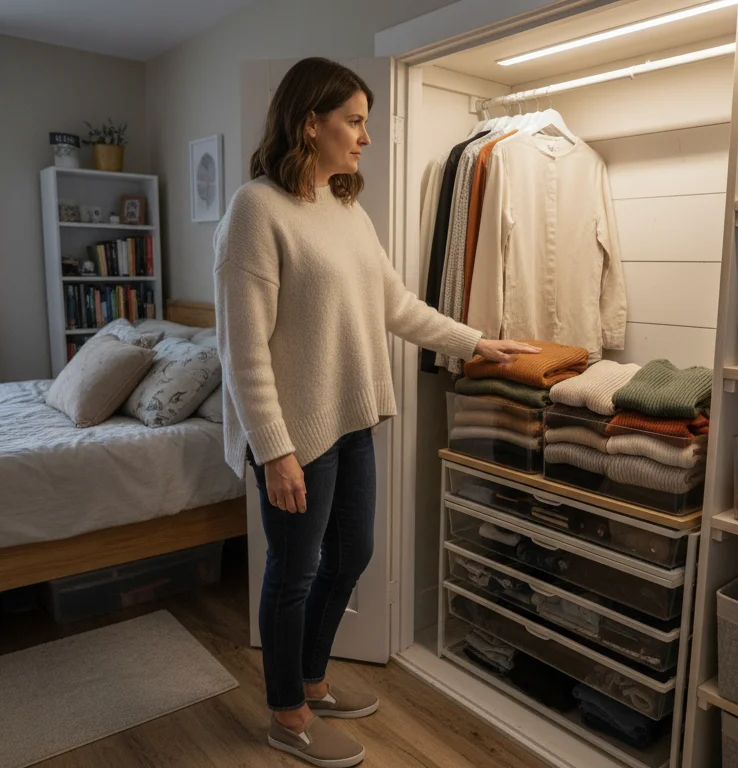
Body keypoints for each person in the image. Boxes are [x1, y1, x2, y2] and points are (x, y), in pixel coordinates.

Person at [213, 57, 538, 768]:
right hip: (294, 433)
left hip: (352, 416)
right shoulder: (257, 209)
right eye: (354, 121)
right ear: (311, 122)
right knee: (292, 573)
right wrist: (274, 449)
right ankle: (286, 715)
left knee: (351, 554)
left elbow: (396, 306)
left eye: (365, 123)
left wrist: (475, 342)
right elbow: (243, 350)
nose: (365, 137)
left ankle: (313, 679)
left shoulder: (345, 207)